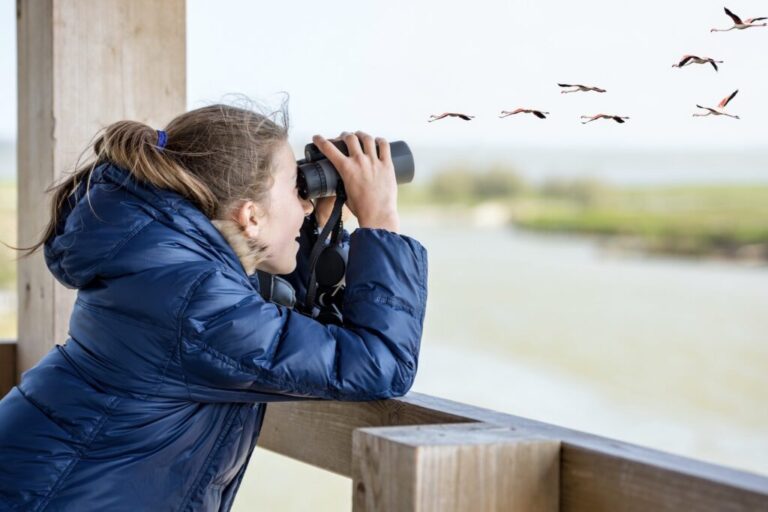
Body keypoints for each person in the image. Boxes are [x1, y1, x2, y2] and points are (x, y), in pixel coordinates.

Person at [0, 104, 428, 511]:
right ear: (250, 216)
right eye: (294, 189)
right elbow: (379, 363)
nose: (304, 202)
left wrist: (316, 228)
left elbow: (288, 329)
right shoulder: (195, 303)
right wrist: (381, 219)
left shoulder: (166, 268)